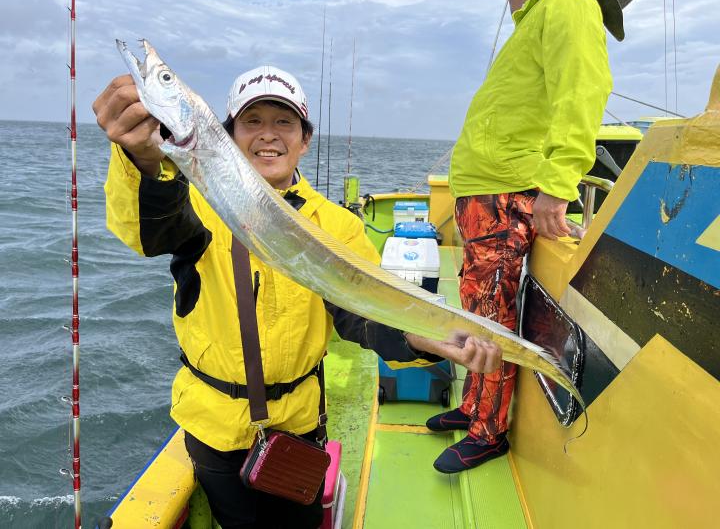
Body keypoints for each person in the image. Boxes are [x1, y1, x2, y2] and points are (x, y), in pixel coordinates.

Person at [93, 66, 503, 528]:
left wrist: (424, 339)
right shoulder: (195, 202)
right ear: (228, 135)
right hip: (214, 427)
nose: (268, 134)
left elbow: (359, 315)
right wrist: (143, 161)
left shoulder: (337, 226)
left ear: (304, 139)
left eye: (284, 122)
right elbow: (149, 231)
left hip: (299, 425)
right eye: (252, 121)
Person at [426, 0, 636, 474]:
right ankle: (473, 406)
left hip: (506, 194)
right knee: (478, 306)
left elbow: (582, 93)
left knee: (493, 318)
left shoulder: (568, 2)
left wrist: (558, 186)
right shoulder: (537, 15)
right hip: (483, 196)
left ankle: (488, 432)